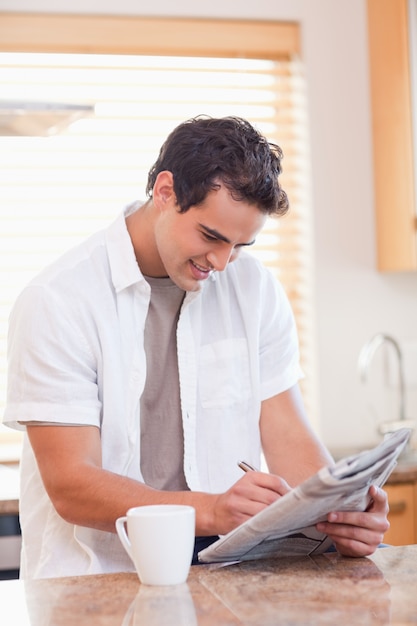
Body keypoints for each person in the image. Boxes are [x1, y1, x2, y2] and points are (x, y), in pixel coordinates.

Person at [2, 116, 389, 579]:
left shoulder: (255, 290)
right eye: (211, 236)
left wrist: (341, 511)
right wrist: (210, 511)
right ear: (165, 192)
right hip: (96, 582)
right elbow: (72, 484)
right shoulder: (59, 301)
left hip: (221, 580)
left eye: (240, 245)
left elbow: (286, 432)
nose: (222, 263)